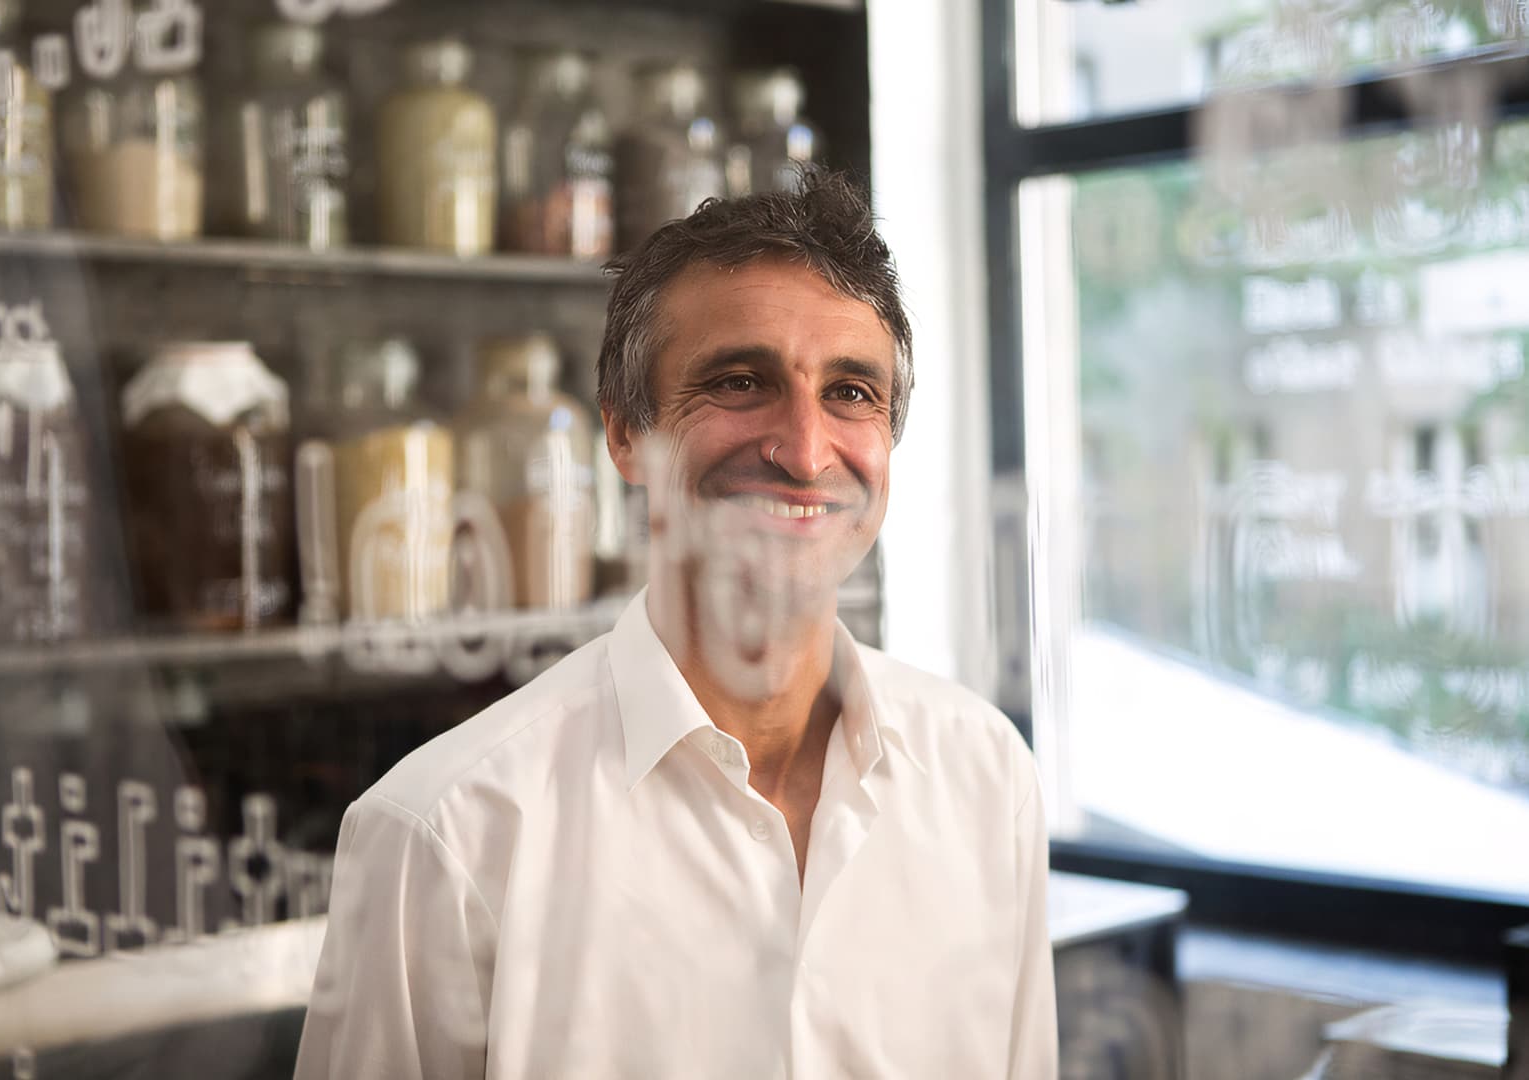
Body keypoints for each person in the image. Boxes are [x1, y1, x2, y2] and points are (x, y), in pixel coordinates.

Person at [294, 170, 1057, 1079]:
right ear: (625, 435)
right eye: (741, 381)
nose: (806, 452)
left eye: (851, 392)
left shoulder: (985, 776)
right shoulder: (445, 837)